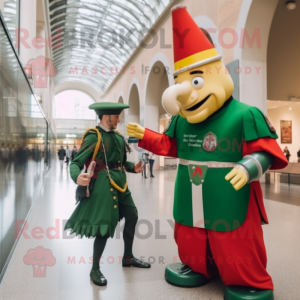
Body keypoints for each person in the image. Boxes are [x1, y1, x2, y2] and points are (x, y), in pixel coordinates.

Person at [127, 6, 288, 300]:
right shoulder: (182, 119)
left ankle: (247, 279)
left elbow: (266, 152)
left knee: (235, 239)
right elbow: (171, 145)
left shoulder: (244, 115)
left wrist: (248, 167)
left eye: (196, 81)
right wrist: (147, 137)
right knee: (190, 233)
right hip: (189, 191)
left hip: (229, 194)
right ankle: (198, 266)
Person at [64, 102, 150, 287]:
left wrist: (133, 168)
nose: (119, 120)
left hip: (121, 185)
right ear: (105, 117)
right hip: (103, 186)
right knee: (104, 227)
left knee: (133, 216)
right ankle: (95, 268)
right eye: (116, 116)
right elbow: (76, 162)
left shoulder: (118, 137)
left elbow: (120, 163)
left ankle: (128, 257)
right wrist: (76, 176)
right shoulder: (94, 137)